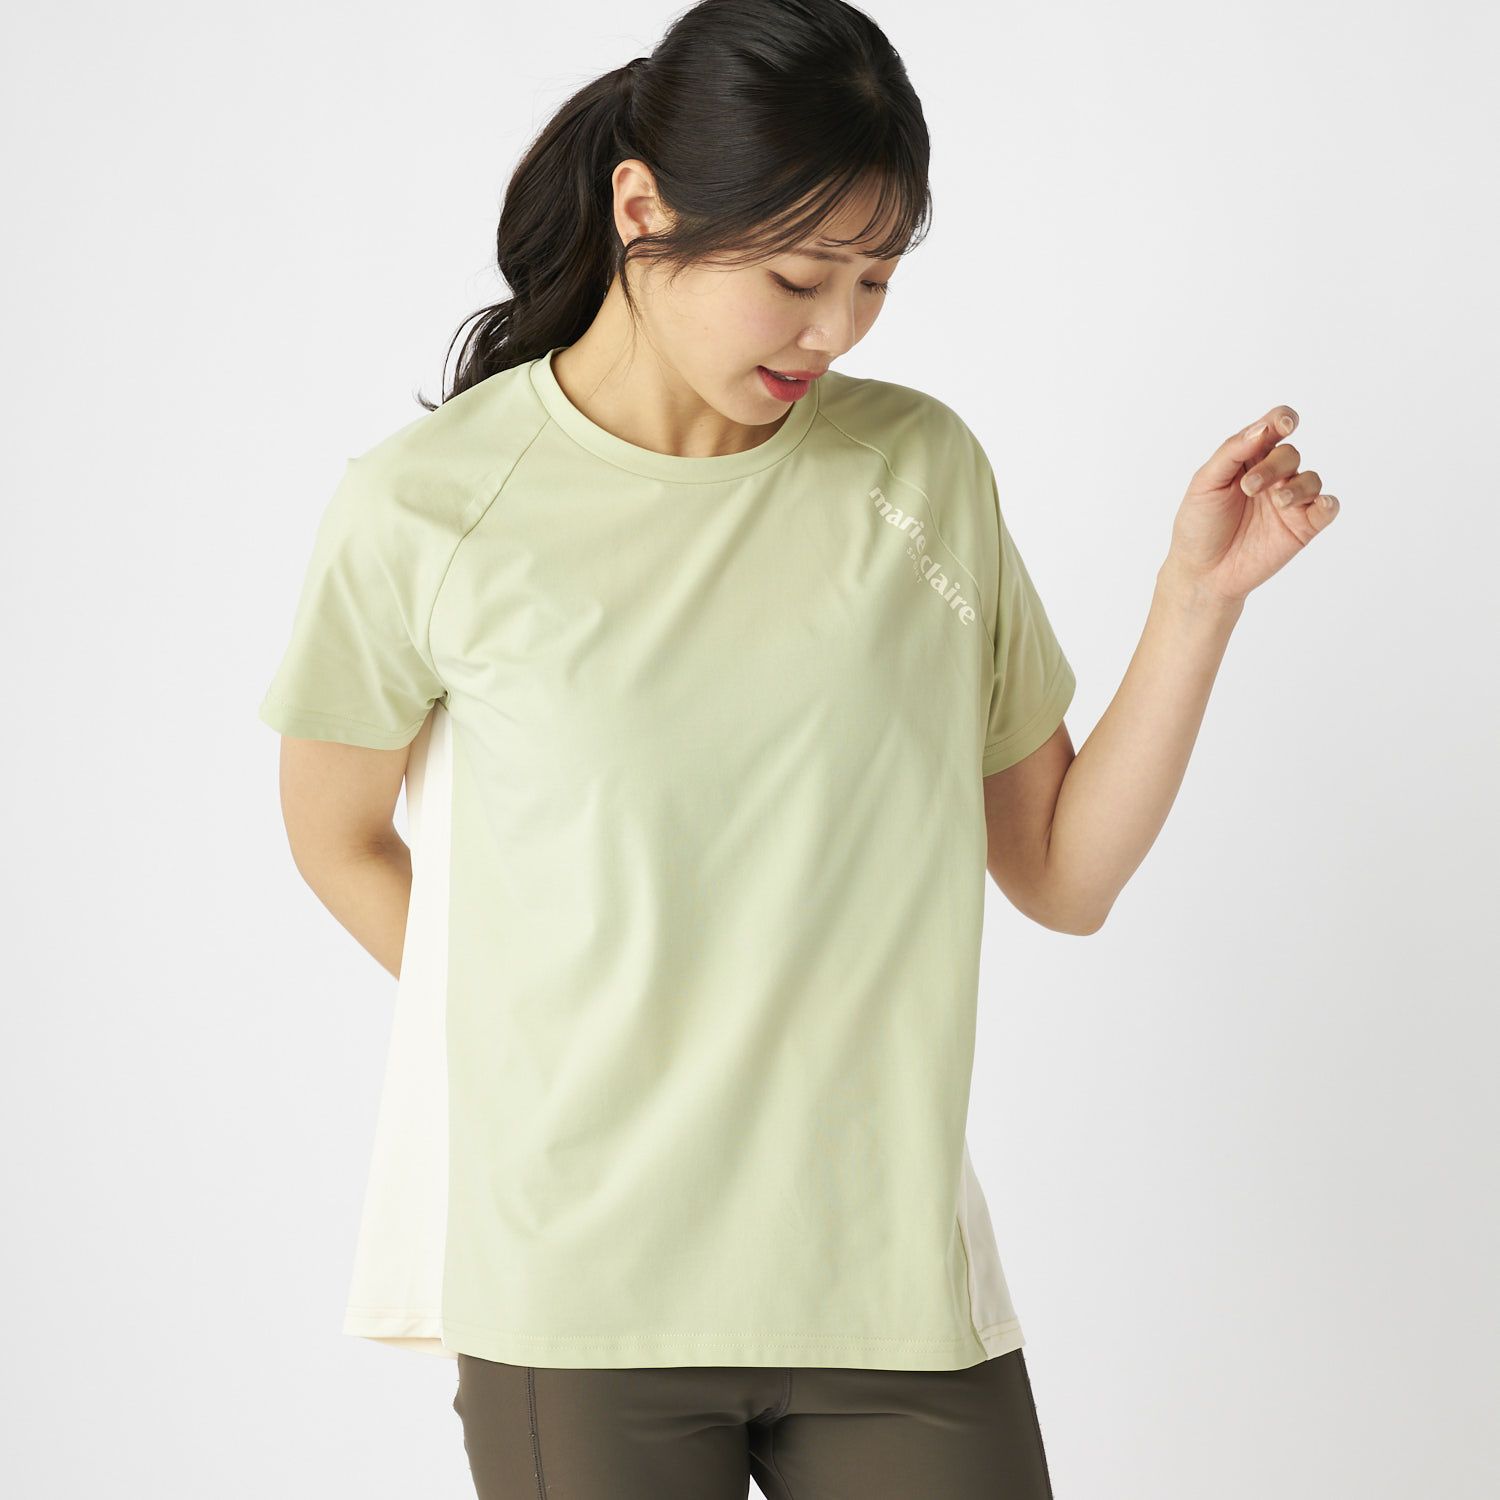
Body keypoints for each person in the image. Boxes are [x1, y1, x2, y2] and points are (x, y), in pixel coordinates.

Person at [257, 2, 1340, 1497]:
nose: (836, 330)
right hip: (583, 1287)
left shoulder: (917, 475)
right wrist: (558, 1027)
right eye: (795, 277)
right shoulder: (432, 507)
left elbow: (1063, 873)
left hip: (884, 1281)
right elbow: (335, 834)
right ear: (643, 209)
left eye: (875, 279)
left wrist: (1196, 601)